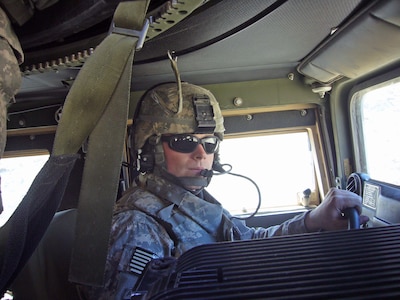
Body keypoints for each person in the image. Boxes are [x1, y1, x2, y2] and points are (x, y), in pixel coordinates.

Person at [79, 81, 369, 299]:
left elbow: (248, 243)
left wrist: (312, 221)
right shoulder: (136, 225)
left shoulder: (195, 205)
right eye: (184, 141)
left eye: (209, 143)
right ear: (151, 149)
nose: (200, 154)